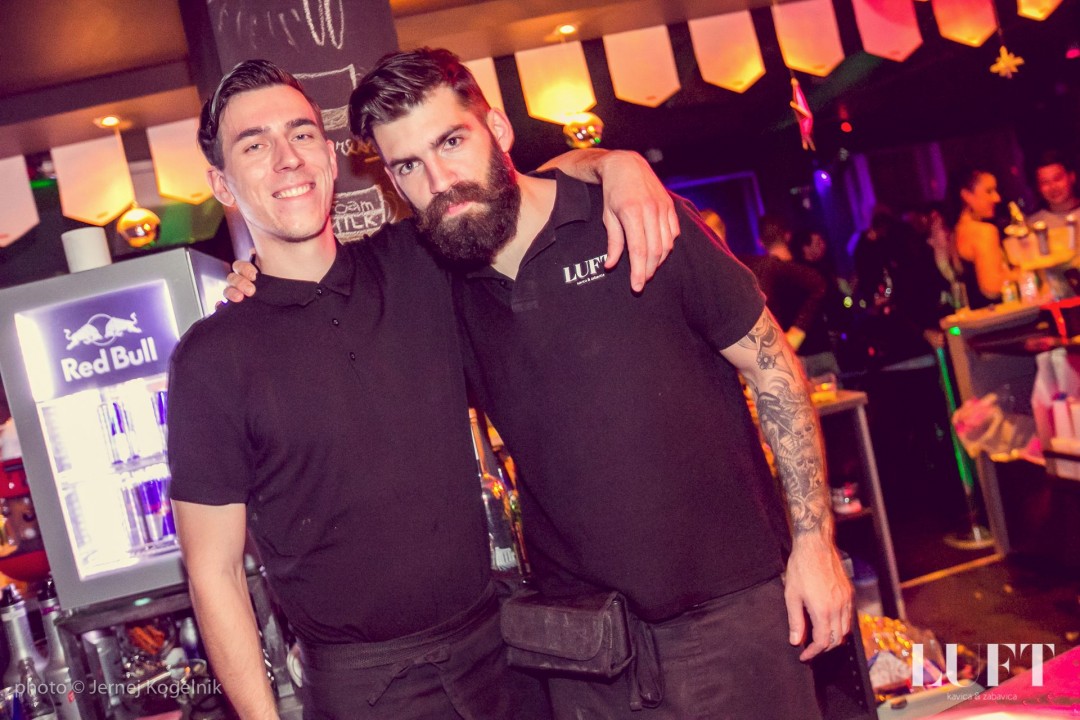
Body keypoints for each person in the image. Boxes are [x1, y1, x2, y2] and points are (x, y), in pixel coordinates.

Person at [347, 47, 852, 719]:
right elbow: (313, 284)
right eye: (409, 165)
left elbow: (774, 371)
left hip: (735, 614)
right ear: (392, 180)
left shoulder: (632, 215)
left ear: (497, 129)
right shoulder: (433, 281)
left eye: (452, 141)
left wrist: (815, 545)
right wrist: (248, 282)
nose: (441, 180)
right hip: (585, 651)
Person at [167, 59, 678, 720]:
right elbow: (213, 572)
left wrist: (616, 165)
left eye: (301, 134)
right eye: (254, 146)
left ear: (330, 156)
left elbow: (501, 182)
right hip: (364, 690)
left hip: (504, 657)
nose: (287, 158)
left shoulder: (420, 260)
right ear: (223, 185)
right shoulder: (211, 359)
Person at [743, 215, 839, 378]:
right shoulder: (808, 269)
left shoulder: (760, 277)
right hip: (819, 349)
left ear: (760, 242)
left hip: (789, 357)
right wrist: (799, 330)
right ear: (787, 236)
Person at [948, 167, 1011, 309]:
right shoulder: (984, 232)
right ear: (967, 195)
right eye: (989, 191)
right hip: (998, 316)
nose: (997, 198)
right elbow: (991, 288)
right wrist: (1024, 272)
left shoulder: (954, 233)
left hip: (974, 317)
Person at [1029, 151, 1079, 229]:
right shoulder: (1033, 225)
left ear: (1072, 177)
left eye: (1057, 179)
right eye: (1045, 182)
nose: (1053, 187)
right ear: (1038, 187)